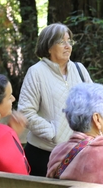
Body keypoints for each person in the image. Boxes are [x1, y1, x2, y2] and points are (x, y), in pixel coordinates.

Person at [18, 23, 92, 176]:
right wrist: (53, 132)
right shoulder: (36, 72)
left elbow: (94, 103)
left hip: (78, 152)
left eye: (69, 41)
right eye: (61, 42)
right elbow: (25, 112)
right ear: (48, 47)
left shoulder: (80, 70)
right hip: (44, 154)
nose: (67, 46)